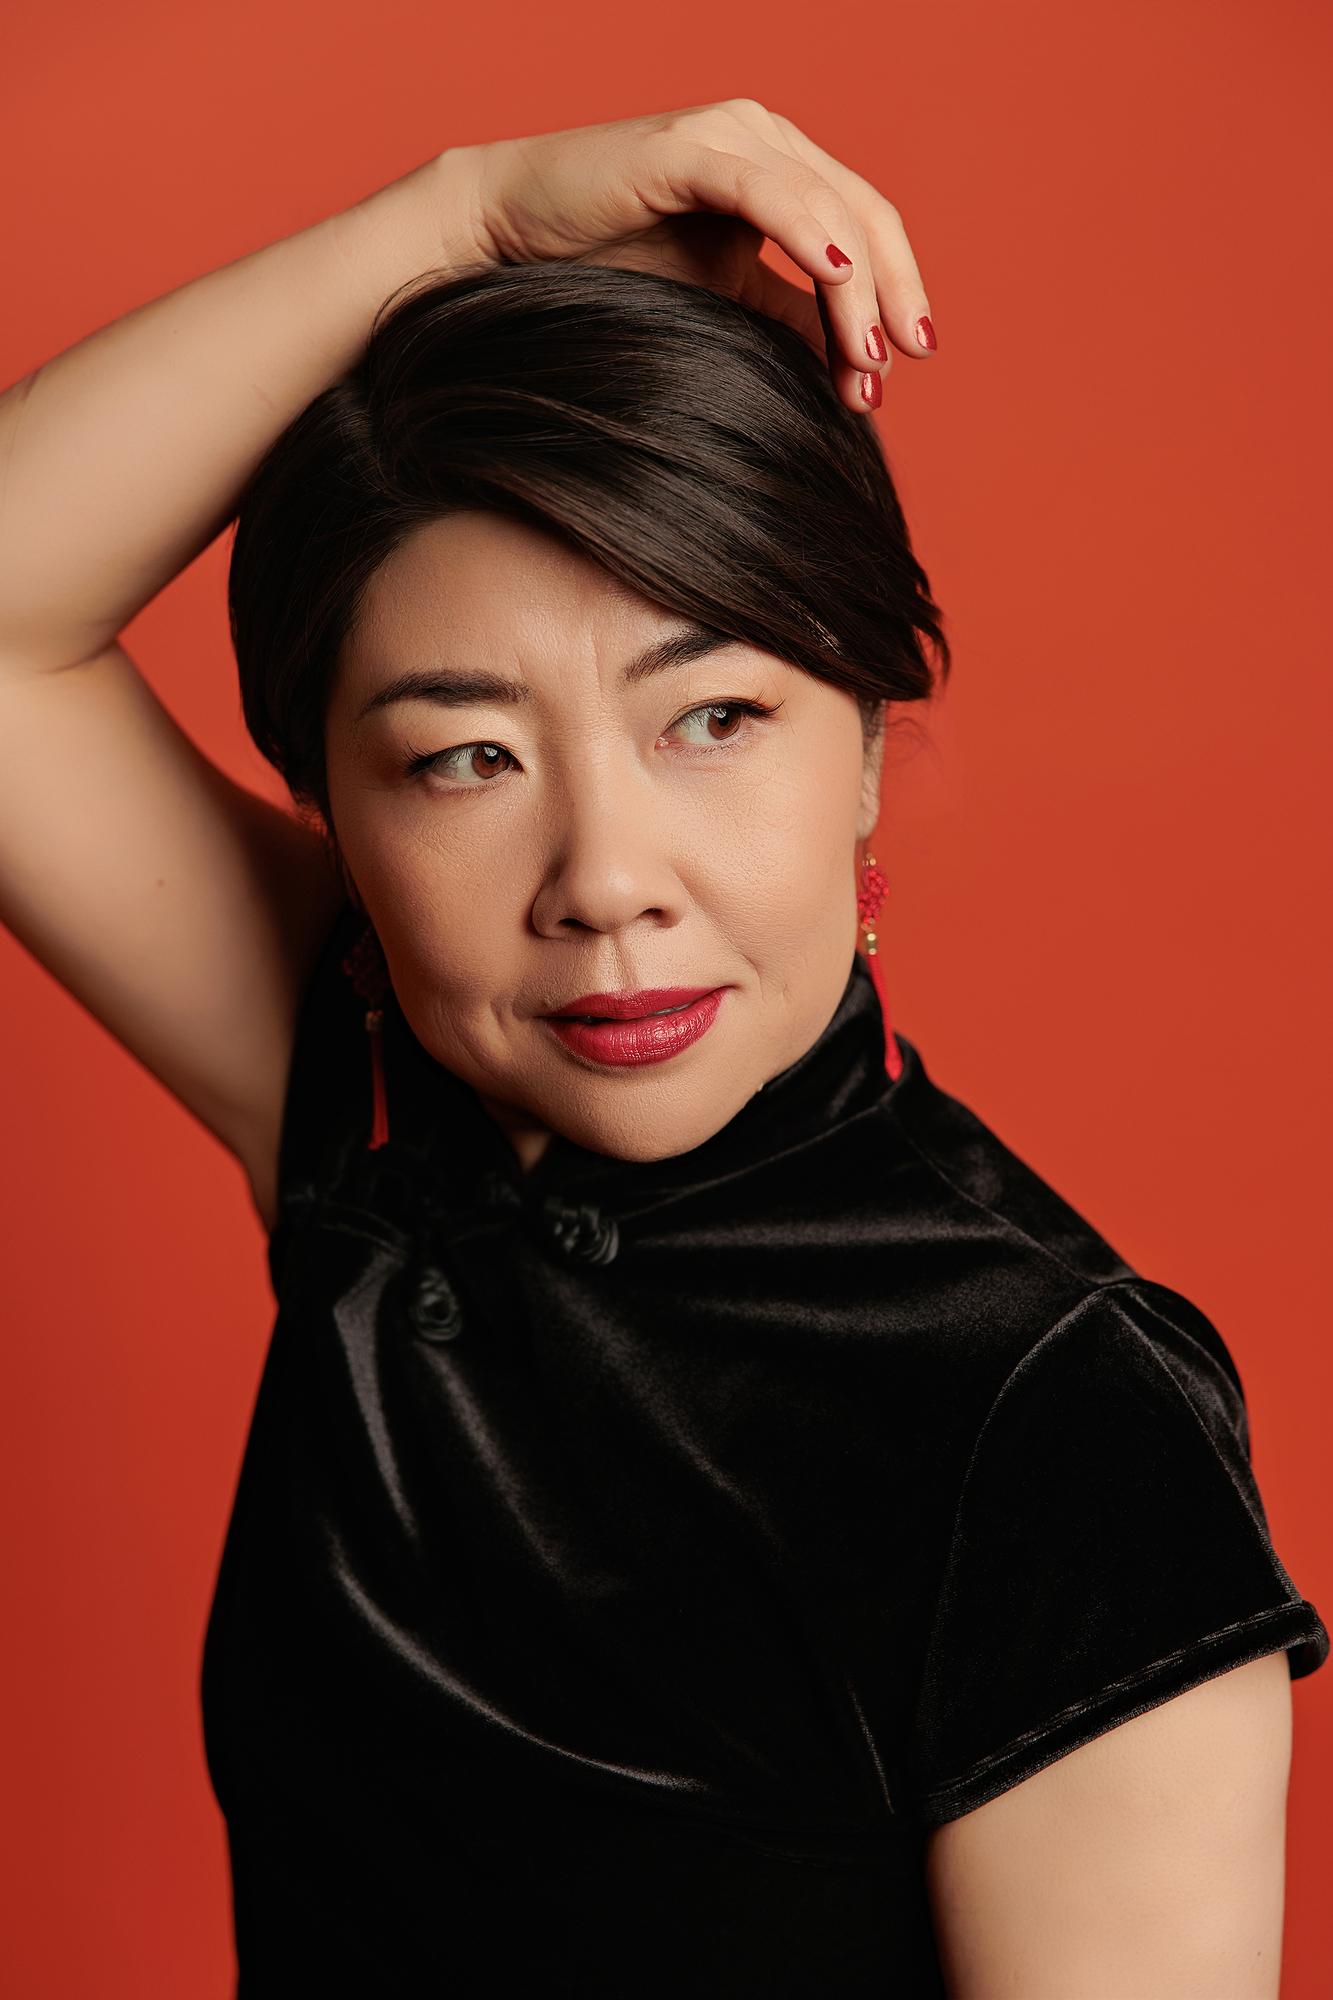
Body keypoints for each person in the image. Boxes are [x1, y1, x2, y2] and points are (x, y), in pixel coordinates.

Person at [0, 101, 1324, 1996]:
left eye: (712, 717)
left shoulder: (1054, 1421)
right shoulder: (381, 1118)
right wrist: (460, 214)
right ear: (336, 815)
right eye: (465, 756)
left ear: (865, 735)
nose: (605, 883)